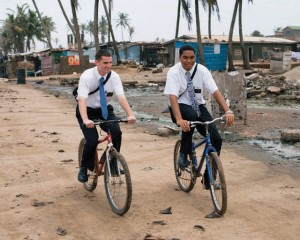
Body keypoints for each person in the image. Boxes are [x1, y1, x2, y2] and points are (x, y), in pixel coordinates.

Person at [164, 44, 234, 189]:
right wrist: (179, 119)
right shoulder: (173, 72)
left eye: (191, 58)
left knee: (216, 139)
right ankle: (183, 153)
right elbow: (172, 97)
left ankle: (209, 179)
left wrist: (227, 110)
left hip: (199, 107)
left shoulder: (202, 70)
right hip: (180, 106)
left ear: (195, 57)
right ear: (180, 58)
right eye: (185, 58)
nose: (189, 61)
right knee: (190, 119)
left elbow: (215, 91)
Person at [76, 49, 136, 183]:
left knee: (116, 132)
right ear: (96, 62)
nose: (108, 65)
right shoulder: (87, 76)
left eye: (110, 62)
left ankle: (113, 164)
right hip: (87, 110)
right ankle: (83, 167)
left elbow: (121, 97)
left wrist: (130, 114)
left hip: (104, 110)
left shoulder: (114, 76)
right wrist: (85, 119)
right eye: (105, 63)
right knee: (92, 141)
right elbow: (82, 100)